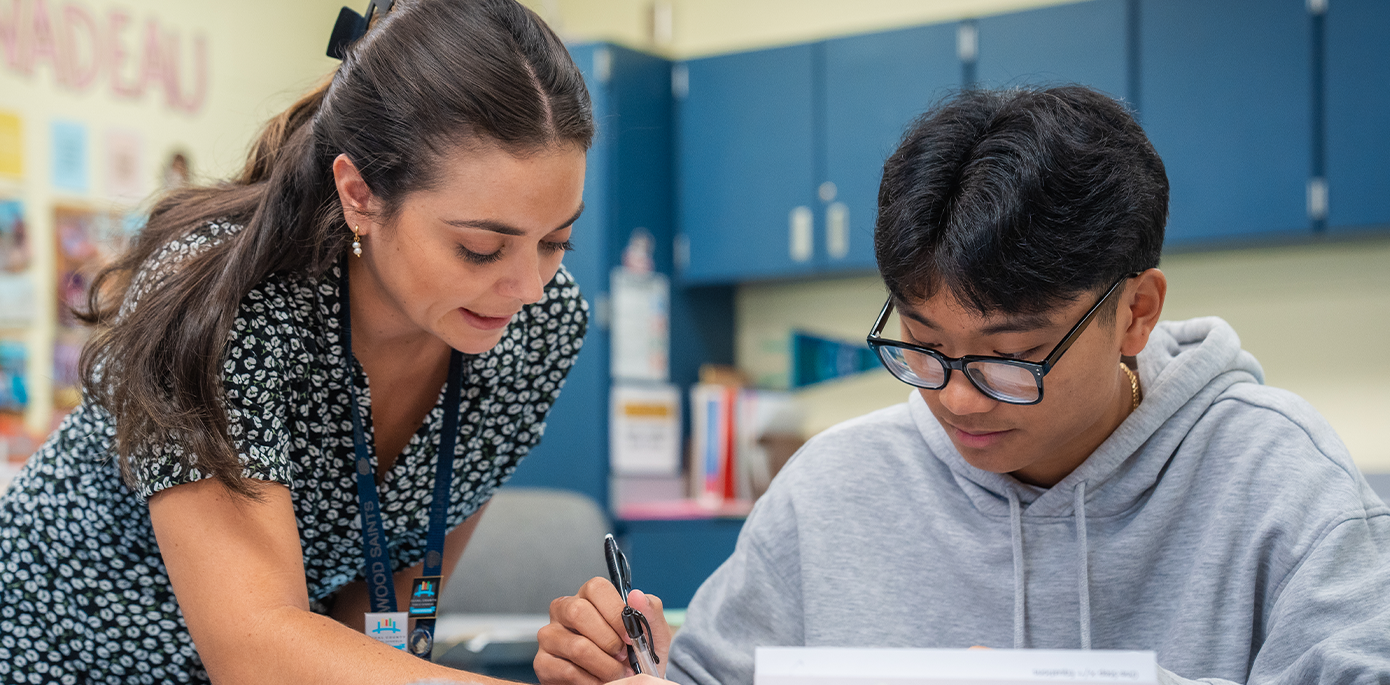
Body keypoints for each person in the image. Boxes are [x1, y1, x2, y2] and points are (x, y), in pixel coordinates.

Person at [535, 86, 1390, 685]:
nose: (956, 400)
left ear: (1136, 313)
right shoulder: (834, 488)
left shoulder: (1281, 478)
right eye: (924, 346)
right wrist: (619, 669)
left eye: (1009, 358)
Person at [0, 0, 594, 684]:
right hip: (54, 656)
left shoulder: (541, 324)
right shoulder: (229, 297)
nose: (528, 286)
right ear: (360, 195)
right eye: (479, 248)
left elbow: (387, 603)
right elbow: (256, 650)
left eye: (556, 240)